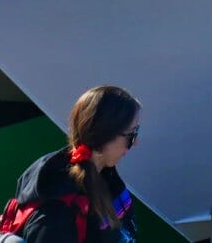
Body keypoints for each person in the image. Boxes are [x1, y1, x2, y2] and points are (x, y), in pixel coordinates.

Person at [15, 85, 141, 242]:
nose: (136, 143)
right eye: (131, 134)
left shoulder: (105, 175)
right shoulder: (57, 211)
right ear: (103, 135)